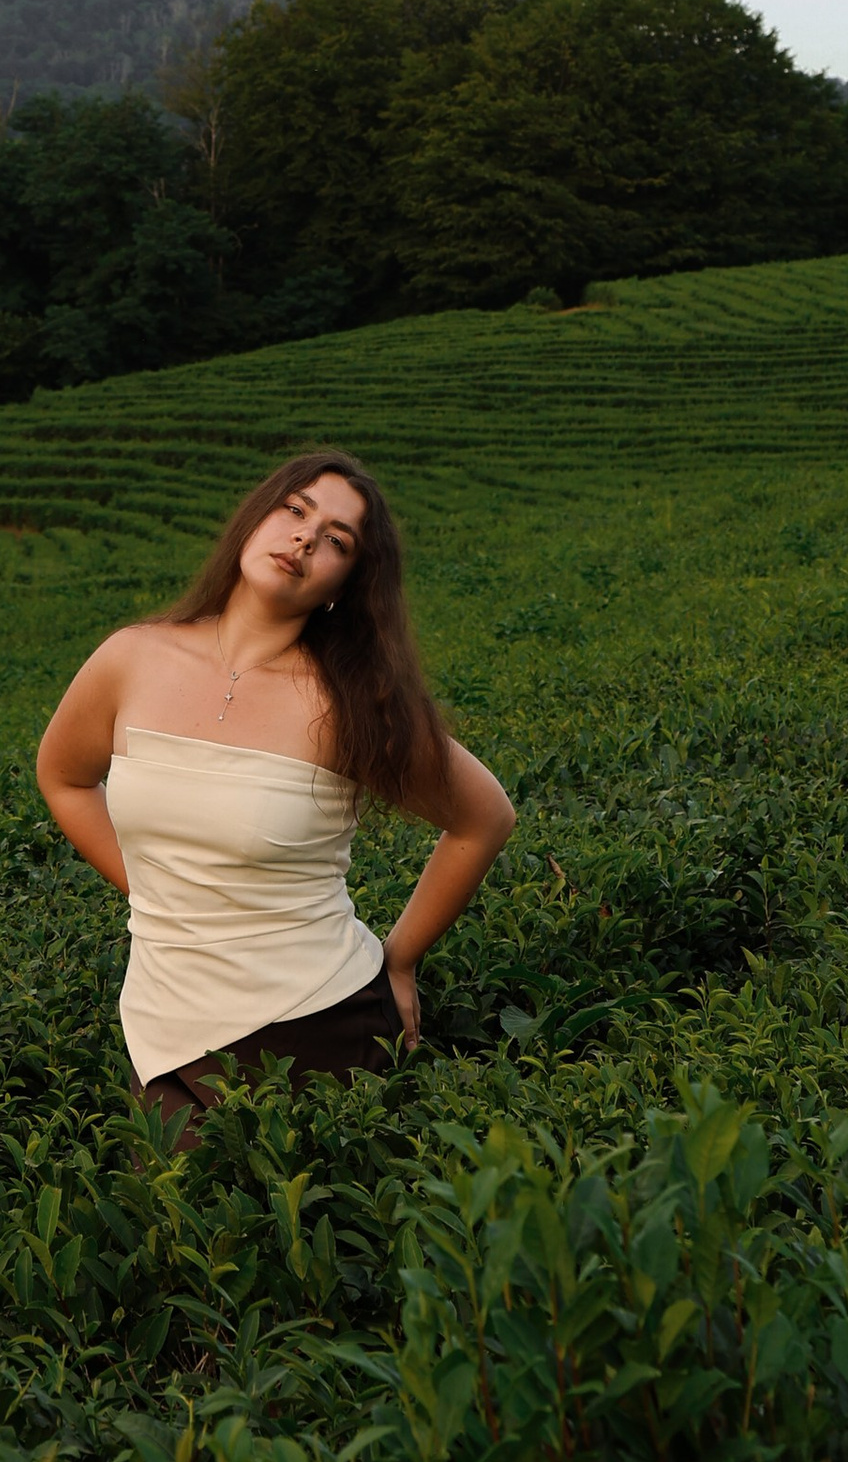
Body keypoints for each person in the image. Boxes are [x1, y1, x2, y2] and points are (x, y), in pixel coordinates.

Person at [34, 448, 515, 1128]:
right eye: (296, 510)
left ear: (343, 585)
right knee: (175, 1226)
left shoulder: (353, 702)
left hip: (317, 1023)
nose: (304, 538)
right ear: (255, 518)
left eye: (336, 541)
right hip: (159, 1025)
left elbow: (484, 818)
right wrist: (151, 891)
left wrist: (400, 959)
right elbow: (63, 777)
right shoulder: (132, 658)